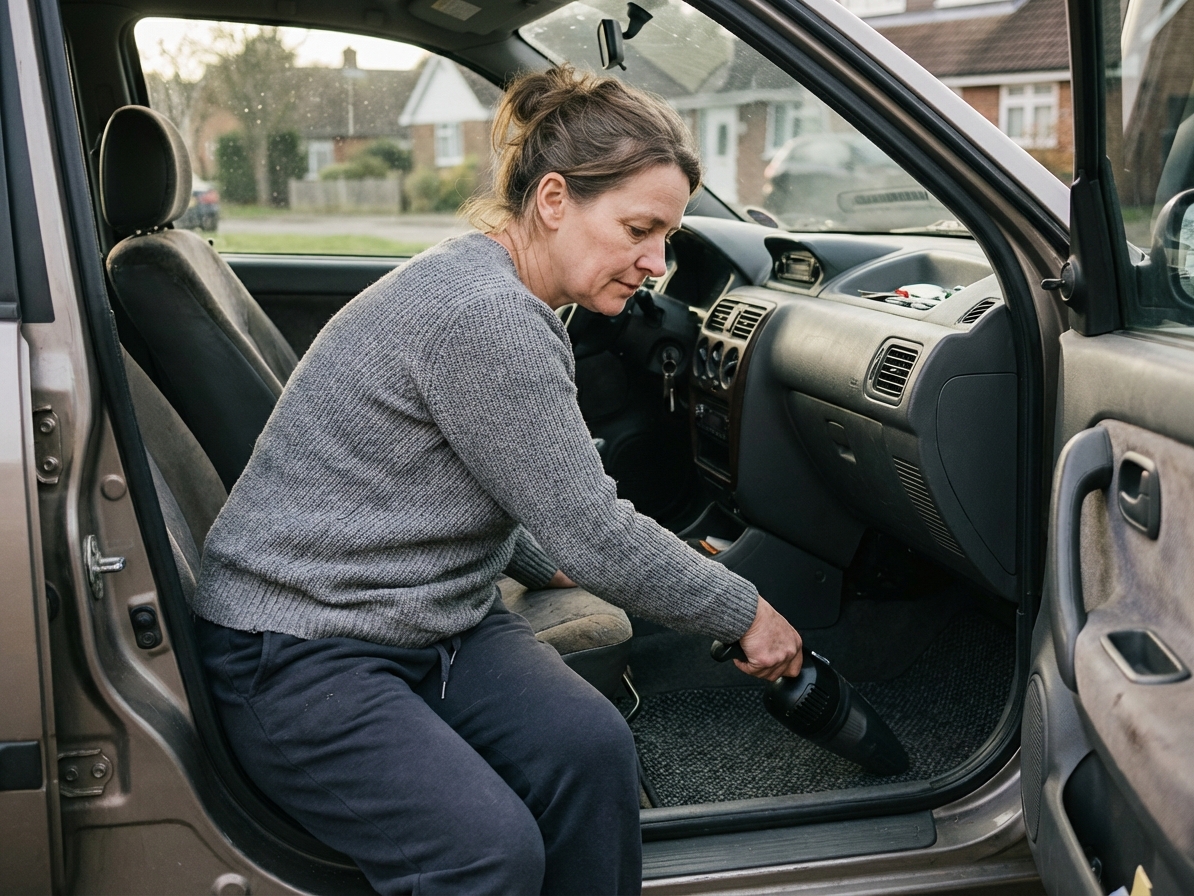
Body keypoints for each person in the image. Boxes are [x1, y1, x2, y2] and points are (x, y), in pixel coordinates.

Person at [191, 65, 805, 895]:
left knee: (592, 751)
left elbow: (454, 476)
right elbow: (594, 531)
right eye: (639, 228)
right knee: (485, 852)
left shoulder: (495, 285)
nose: (657, 262)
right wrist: (748, 612)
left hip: (424, 620)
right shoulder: (487, 315)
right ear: (554, 199)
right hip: (299, 647)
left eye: (666, 236)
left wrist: (530, 560)